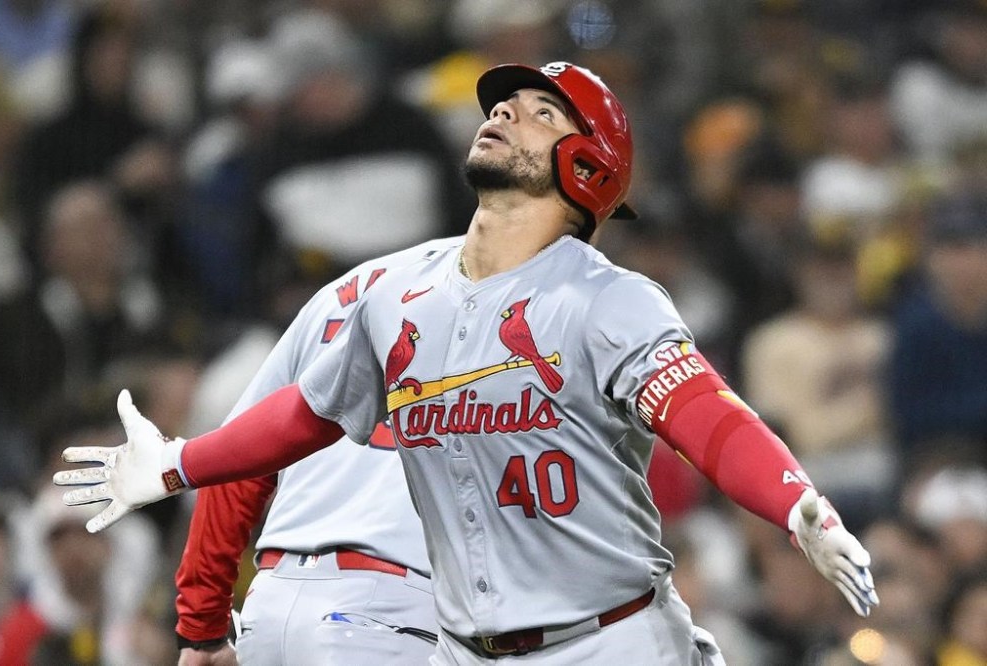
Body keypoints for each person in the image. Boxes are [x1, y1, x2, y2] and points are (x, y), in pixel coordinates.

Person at [55, 61, 878, 664]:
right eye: (506, 105)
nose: (507, 112)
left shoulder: (606, 299)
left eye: (540, 113)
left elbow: (706, 417)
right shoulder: (392, 294)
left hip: (608, 639)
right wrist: (176, 465)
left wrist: (794, 501)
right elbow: (300, 420)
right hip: (465, 647)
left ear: (584, 167)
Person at [174, 239, 461, 665]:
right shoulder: (526, 293)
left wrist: (202, 632)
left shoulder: (343, 290)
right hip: (391, 609)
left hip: (271, 603)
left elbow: (236, 464)